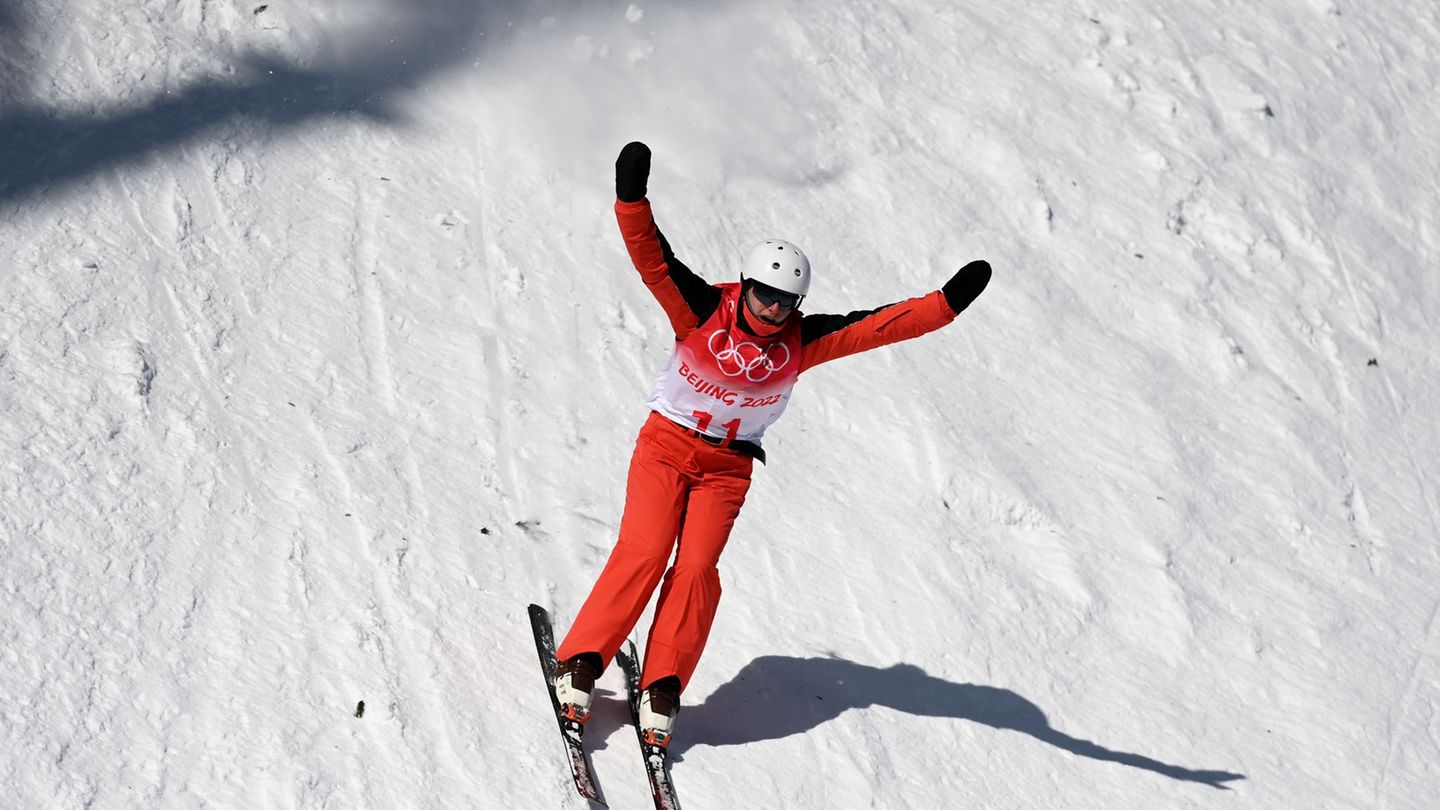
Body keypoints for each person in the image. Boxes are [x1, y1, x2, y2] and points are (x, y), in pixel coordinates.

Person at [552, 141, 991, 748]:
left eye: (787, 301)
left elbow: (877, 326)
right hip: (667, 446)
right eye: (766, 294)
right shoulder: (702, 308)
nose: (774, 308)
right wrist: (631, 197)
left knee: (697, 569)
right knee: (646, 550)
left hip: (727, 469)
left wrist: (945, 305)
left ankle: (662, 685)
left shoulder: (802, 341)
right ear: (748, 285)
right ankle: (581, 661)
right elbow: (653, 259)